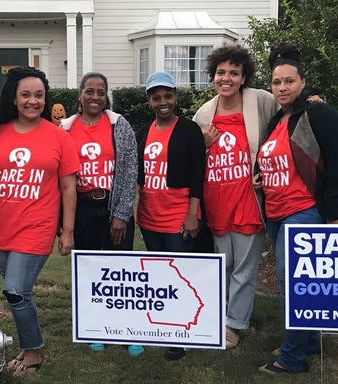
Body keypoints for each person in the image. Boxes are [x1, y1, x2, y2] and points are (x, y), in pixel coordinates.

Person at [0, 66, 80, 376]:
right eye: (26, 95)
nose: (33, 101)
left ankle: (33, 351)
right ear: (14, 99)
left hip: (36, 227)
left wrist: (67, 231)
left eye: (39, 95)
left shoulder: (59, 137)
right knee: (15, 289)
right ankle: (27, 345)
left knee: (16, 290)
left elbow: (69, 186)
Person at [256, 43, 338, 374]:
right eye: (276, 82)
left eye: (288, 81)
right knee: (298, 283)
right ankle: (306, 341)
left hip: (304, 211)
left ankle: (292, 357)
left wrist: (335, 213)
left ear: (303, 82)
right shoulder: (277, 121)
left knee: (294, 284)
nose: (281, 88)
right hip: (277, 213)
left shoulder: (319, 115)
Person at [192, 44, 279, 349]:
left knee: (243, 269)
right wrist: (201, 145)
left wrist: (313, 104)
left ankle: (234, 325)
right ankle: (220, 315)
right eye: (221, 72)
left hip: (247, 200)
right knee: (222, 265)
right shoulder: (204, 112)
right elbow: (193, 159)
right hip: (216, 200)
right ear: (213, 75)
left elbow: (287, 121)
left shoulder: (261, 101)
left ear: (244, 77)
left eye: (234, 73)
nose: (226, 78)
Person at [59, 72, 143, 356]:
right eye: (89, 91)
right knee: (92, 270)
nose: (95, 97)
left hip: (113, 205)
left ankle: (129, 329)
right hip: (82, 207)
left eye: (101, 92)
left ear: (107, 96)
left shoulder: (119, 124)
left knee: (122, 271)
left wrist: (121, 213)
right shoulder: (66, 128)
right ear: (80, 95)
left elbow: (131, 171)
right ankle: (97, 326)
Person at [135, 71, 206, 361]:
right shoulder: (142, 132)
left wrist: (193, 214)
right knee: (160, 275)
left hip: (179, 214)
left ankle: (181, 336)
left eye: (167, 95)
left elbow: (197, 174)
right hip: (149, 216)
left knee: (179, 275)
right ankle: (165, 326)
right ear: (150, 101)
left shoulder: (189, 130)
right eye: (156, 97)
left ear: (175, 97)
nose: (162, 101)